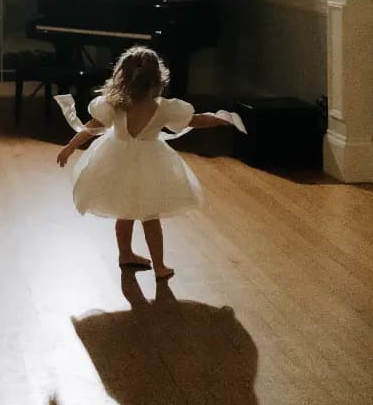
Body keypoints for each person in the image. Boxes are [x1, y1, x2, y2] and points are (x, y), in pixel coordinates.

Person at [55, 46, 241, 279]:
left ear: (121, 77)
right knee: (150, 218)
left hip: (116, 161)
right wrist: (221, 119)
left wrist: (70, 146)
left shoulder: (114, 105)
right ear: (157, 79)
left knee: (124, 212)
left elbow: (90, 128)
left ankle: (125, 254)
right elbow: (196, 120)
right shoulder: (163, 108)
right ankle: (159, 266)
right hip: (151, 165)